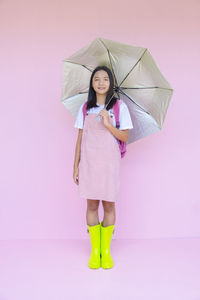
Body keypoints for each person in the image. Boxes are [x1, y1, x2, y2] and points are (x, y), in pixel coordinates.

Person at [73, 65, 133, 269]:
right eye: (96, 79)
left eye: (105, 79)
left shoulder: (119, 107)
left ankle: (105, 251)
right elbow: (80, 137)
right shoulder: (85, 108)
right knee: (91, 205)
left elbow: (125, 136)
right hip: (89, 161)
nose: (100, 82)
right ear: (92, 83)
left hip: (109, 162)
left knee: (109, 205)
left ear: (111, 83)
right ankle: (95, 250)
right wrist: (75, 166)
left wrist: (108, 124)